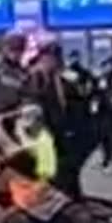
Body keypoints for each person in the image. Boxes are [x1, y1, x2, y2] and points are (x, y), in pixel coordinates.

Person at [26, 41, 98, 198]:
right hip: (47, 130)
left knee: (68, 170)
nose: (51, 62)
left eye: (55, 57)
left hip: (69, 130)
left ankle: (71, 198)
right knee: (54, 171)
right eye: (48, 57)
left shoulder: (68, 77)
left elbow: (80, 100)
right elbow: (31, 102)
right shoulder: (36, 76)